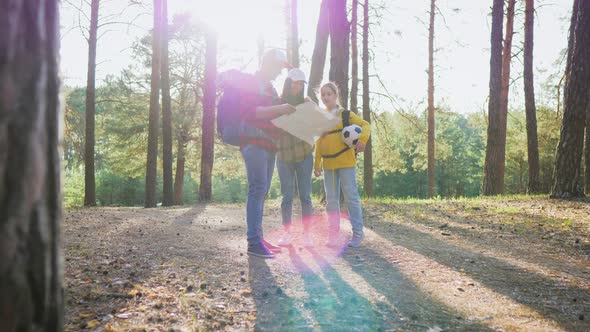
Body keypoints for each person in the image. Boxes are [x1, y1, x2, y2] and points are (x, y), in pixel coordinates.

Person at [239, 49, 296, 258]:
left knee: (261, 190)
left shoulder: (270, 87)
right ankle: (253, 242)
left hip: (269, 143)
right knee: (257, 189)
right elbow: (252, 112)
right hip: (254, 141)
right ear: (269, 64)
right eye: (278, 67)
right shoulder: (251, 83)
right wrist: (280, 109)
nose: (280, 73)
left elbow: (272, 115)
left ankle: (259, 238)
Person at [314, 82, 371, 248]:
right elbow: (319, 142)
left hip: (346, 162)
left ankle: (358, 232)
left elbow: (365, 125)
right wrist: (317, 164)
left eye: (328, 94)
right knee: (331, 200)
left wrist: (362, 140)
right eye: (323, 94)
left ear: (335, 95)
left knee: (351, 197)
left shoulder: (345, 114)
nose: (325, 97)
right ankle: (333, 235)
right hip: (329, 165)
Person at [275, 69, 315, 248]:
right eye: (295, 83)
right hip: (283, 155)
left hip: (304, 155)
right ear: (288, 83)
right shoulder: (279, 102)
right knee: (287, 196)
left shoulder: (307, 103)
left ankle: (307, 234)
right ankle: (287, 233)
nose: (298, 87)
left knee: (306, 196)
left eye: (301, 84)